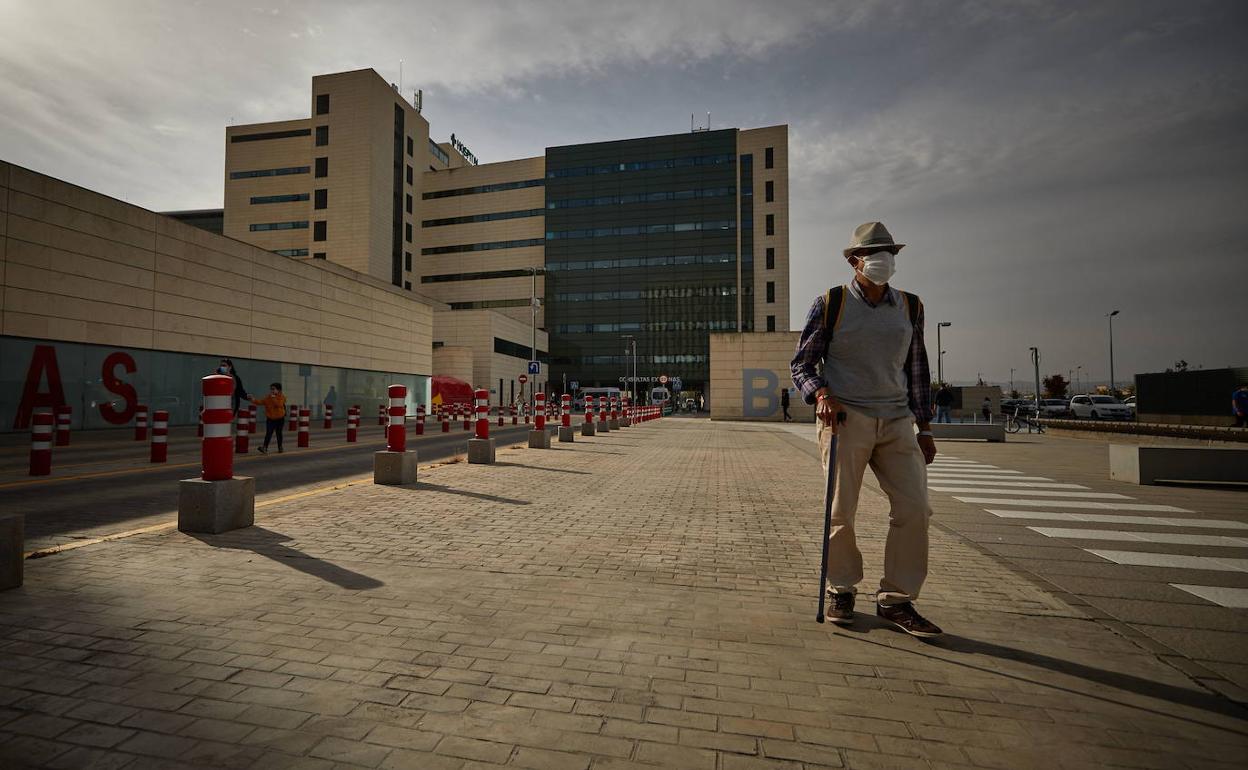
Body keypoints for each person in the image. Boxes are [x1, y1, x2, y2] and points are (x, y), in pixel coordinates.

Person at [791, 221, 941, 638]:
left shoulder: (911, 307)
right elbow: (801, 364)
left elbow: (917, 368)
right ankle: (841, 588)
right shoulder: (831, 303)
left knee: (915, 509)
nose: (884, 260)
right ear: (855, 261)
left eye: (890, 252)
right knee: (840, 512)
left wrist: (925, 427)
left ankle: (897, 599)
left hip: (897, 421)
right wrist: (821, 394)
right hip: (846, 420)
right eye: (876, 253)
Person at [251, 383, 288, 454]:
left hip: (280, 418)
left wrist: (273, 397)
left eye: (273, 389)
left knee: (279, 433)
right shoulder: (268, 397)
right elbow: (261, 402)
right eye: (271, 389)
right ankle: (265, 448)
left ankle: (280, 447)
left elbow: (279, 404)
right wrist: (253, 399)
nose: (272, 391)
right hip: (270, 419)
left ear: (279, 390)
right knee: (268, 433)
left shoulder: (282, 397)